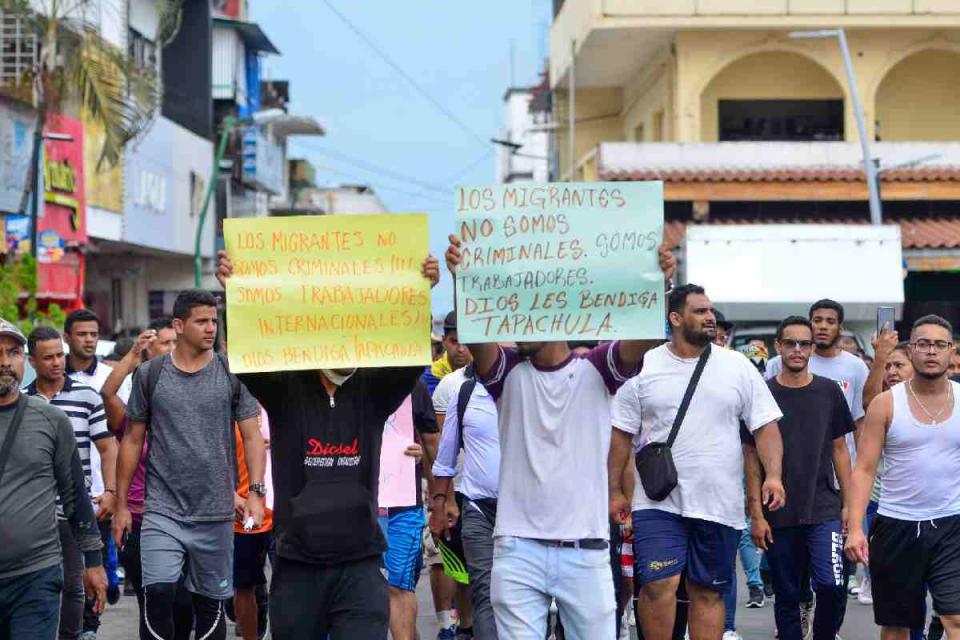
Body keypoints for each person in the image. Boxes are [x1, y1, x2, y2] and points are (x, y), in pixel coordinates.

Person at [445, 234, 675, 640]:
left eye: (523, 315)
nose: (513, 325)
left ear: (555, 314)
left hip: (585, 552)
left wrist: (658, 286)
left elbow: (643, 338)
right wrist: (463, 279)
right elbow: (479, 337)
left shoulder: (597, 367)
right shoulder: (505, 372)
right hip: (517, 551)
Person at [216, 249, 441, 639]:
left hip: (359, 565)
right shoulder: (286, 390)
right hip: (297, 565)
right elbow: (246, 358)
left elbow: (409, 361)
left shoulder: (372, 392)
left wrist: (422, 294)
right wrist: (234, 295)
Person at [608, 284, 784, 640]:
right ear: (675, 318)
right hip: (657, 501)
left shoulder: (737, 366)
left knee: (708, 590)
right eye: (700, 311)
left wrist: (774, 476)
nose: (710, 318)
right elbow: (621, 435)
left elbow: (765, 427)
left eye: (710, 311)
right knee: (658, 584)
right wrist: (614, 491)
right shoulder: (644, 366)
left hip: (718, 504)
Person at [113, 290, 266, 640]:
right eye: (202, 321)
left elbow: (253, 436)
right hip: (161, 511)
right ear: (179, 325)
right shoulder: (151, 375)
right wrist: (122, 505)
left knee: (209, 606)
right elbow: (132, 441)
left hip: (215, 513)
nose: (210, 328)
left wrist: (255, 492)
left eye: (214, 321)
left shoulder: (231, 373)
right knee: (159, 593)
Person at [846, 314, 960, 640]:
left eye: (940, 345)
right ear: (911, 351)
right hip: (897, 525)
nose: (931, 351)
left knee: (955, 618)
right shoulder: (886, 404)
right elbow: (865, 468)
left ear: (951, 351)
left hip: (952, 524)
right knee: (897, 626)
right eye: (923, 344)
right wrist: (855, 528)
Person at [743, 316, 853, 640]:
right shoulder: (762, 393)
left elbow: (841, 451)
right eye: (790, 343)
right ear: (778, 346)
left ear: (812, 348)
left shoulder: (828, 391)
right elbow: (750, 457)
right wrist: (756, 514)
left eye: (804, 344)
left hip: (823, 507)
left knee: (832, 585)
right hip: (779, 510)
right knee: (787, 594)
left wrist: (849, 505)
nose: (797, 350)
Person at [0, 319, 107, 640]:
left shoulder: (50, 420)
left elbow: (74, 494)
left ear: (23, 360)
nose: (5, 362)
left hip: (35, 575)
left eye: (13, 352)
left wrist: (93, 562)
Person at [765, 299, 868, 608]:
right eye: (817, 320)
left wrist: (854, 493)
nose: (823, 326)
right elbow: (758, 438)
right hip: (784, 487)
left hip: (831, 484)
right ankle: (801, 609)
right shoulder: (773, 374)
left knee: (832, 578)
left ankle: (826, 626)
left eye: (830, 320)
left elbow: (858, 421)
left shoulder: (852, 368)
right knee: (791, 583)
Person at [100, 317, 193, 640]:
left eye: (174, 343)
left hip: (188, 516)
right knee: (153, 599)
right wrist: (132, 356)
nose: (171, 350)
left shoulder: (191, 400)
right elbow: (108, 394)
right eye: (164, 344)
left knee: (185, 601)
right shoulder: (135, 413)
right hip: (141, 518)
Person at [63, 309, 129, 638]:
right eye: (81, 334)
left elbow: (121, 437)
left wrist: (115, 493)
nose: (89, 340)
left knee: (94, 565)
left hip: (101, 493)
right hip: (56, 497)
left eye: (93, 334)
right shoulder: (48, 378)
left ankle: (89, 627)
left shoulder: (112, 378)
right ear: (67, 338)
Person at [430, 361, 501, 640]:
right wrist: (440, 501)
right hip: (478, 509)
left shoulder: (529, 386)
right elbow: (444, 459)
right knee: (485, 592)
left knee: (523, 595)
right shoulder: (463, 392)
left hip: (527, 514)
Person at [423, 311, 475, 639]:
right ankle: (453, 624)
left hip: (493, 492)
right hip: (450, 488)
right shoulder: (436, 384)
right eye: (454, 341)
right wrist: (442, 495)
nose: (460, 348)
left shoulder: (505, 379)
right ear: (445, 342)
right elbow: (439, 445)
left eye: (467, 341)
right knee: (449, 562)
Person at [378, 379, 440, 640]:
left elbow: (432, 441)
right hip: (355, 504)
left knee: (400, 585)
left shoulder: (413, 384)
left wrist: (439, 498)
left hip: (403, 503)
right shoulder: (340, 380)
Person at [232, 415, 273, 640]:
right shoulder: (228, 395)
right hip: (243, 510)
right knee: (243, 586)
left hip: (286, 511)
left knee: (291, 585)